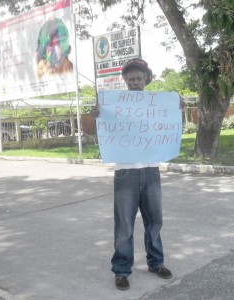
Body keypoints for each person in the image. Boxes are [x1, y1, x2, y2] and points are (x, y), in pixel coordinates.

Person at [93, 58, 182, 291]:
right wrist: (95, 115)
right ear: (125, 80)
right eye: (130, 78)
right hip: (125, 173)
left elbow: (168, 122)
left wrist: (175, 110)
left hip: (151, 171)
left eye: (139, 78)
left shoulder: (157, 105)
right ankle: (121, 270)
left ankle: (156, 262)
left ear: (146, 80)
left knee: (155, 221)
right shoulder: (112, 105)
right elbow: (91, 130)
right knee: (124, 225)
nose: (135, 81)